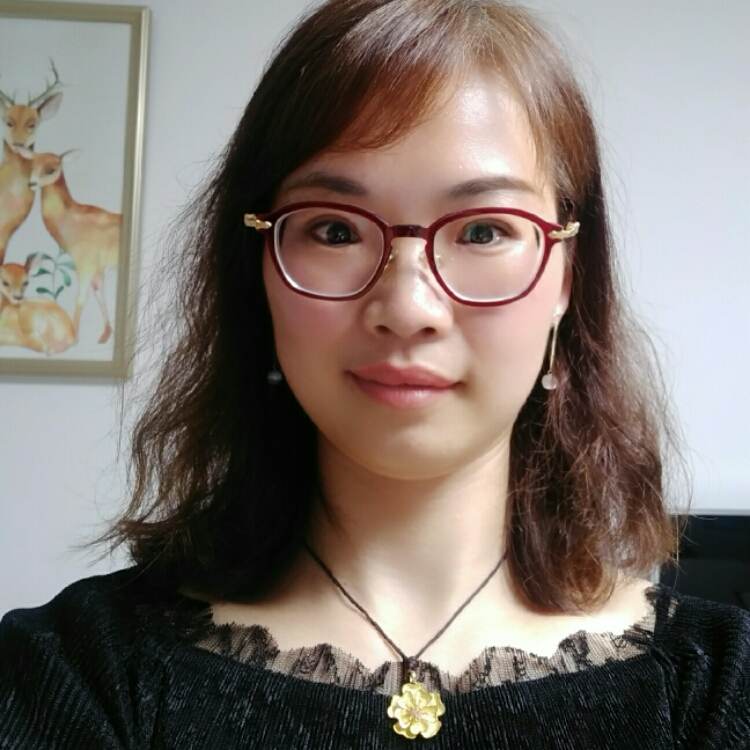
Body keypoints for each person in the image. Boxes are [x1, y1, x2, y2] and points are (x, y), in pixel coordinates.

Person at [1, 0, 749, 747]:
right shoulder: (73, 673)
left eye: (484, 230)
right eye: (334, 230)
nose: (408, 308)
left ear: (566, 279)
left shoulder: (715, 688)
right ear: (259, 268)